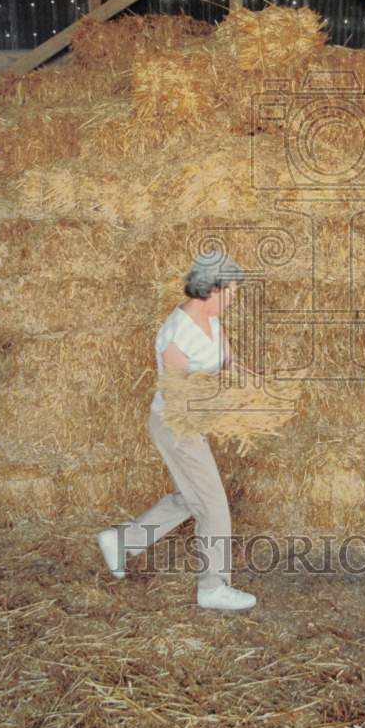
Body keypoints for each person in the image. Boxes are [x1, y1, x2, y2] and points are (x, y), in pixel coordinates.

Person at [95, 252, 257, 611]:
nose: (233, 299)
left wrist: (252, 384)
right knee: (213, 506)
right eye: (230, 292)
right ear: (212, 288)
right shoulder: (176, 333)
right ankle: (213, 588)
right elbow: (178, 395)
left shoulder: (212, 324)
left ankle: (122, 542)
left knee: (192, 496)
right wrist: (225, 404)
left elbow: (228, 361)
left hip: (193, 422)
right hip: (175, 424)